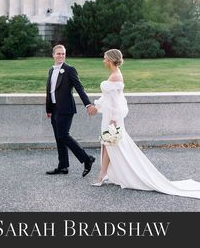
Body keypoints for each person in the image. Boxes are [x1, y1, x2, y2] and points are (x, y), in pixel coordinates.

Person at [92, 48, 200, 199]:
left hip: (112, 118)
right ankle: (104, 173)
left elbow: (117, 103)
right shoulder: (114, 75)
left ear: (110, 60)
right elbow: (109, 98)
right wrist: (97, 108)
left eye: (105, 58)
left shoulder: (115, 76)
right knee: (107, 144)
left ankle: (104, 174)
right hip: (110, 116)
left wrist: (113, 120)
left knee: (110, 144)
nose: (103, 61)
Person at [46, 44, 96, 177]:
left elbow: (80, 88)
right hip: (55, 109)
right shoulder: (51, 70)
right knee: (58, 137)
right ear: (53, 55)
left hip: (66, 109)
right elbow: (50, 92)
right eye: (58, 53)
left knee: (63, 135)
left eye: (63, 54)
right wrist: (49, 109)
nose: (61, 56)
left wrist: (88, 105)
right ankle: (63, 166)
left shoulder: (69, 70)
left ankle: (87, 158)